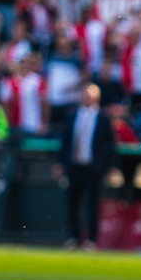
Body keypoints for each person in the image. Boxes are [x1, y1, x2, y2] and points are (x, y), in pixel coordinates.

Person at [54, 83, 116, 250]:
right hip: (74, 165)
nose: (86, 98)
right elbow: (65, 142)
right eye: (84, 94)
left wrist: (110, 167)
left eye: (89, 95)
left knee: (92, 205)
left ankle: (91, 240)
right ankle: (73, 237)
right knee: (72, 203)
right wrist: (60, 163)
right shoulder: (72, 116)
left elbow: (110, 145)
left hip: (92, 167)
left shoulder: (103, 118)